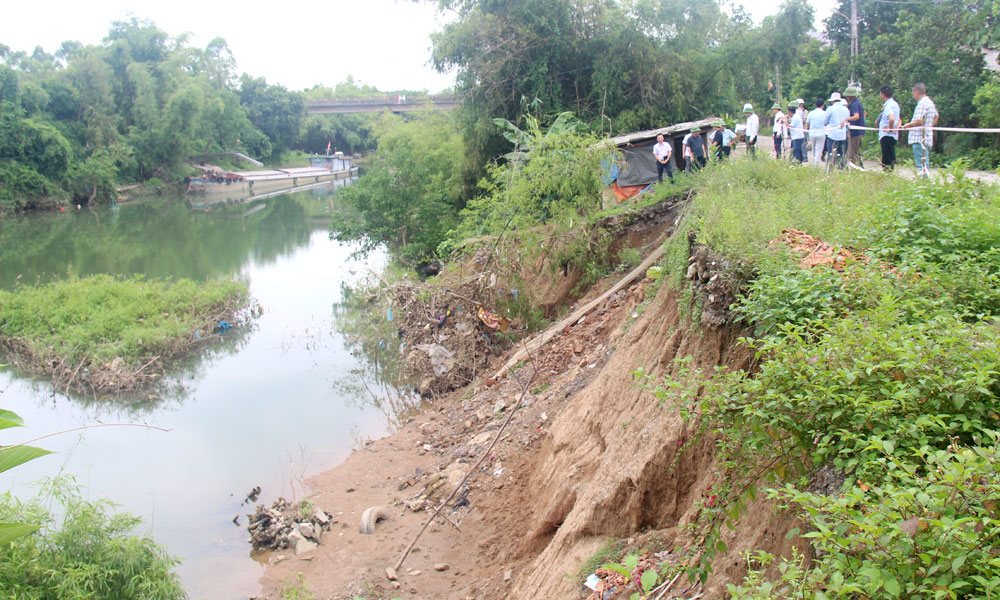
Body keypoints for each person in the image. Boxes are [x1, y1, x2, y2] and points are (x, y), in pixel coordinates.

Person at [899, 82, 939, 178]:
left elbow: (919, 121)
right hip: (927, 137)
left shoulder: (922, 104)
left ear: (916, 92)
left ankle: (924, 182)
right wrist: (929, 126)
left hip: (919, 139)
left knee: (922, 165)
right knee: (925, 163)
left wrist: (908, 125)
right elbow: (936, 116)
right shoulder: (930, 102)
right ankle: (926, 181)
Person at [876, 85, 900, 170]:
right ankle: (890, 172)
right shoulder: (895, 104)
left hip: (886, 135)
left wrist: (890, 129)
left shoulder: (889, 105)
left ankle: (887, 174)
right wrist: (896, 128)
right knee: (891, 156)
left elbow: (892, 118)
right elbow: (898, 119)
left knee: (886, 159)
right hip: (893, 136)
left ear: (882, 94)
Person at [824, 96, 850, 169]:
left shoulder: (830, 109)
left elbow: (825, 121)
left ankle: (830, 168)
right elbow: (847, 120)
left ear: (832, 101)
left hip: (832, 133)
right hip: (842, 134)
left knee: (831, 153)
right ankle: (842, 168)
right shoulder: (846, 109)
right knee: (842, 153)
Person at [844, 86, 866, 169]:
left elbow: (856, 116)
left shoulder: (854, 104)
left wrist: (846, 119)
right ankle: (859, 167)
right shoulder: (858, 103)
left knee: (853, 153)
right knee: (855, 151)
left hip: (856, 132)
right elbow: (863, 113)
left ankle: (857, 168)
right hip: (859, 130)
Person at [806, 99, 828, 166]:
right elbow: (826, 123)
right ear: (823, 105)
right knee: (819, 149)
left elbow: (808, 123)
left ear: (815, 105)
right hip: (821, 133)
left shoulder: (811, 113)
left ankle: (815, 161)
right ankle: (816, 164)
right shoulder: (825, 113)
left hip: (812, 133)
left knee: (814, 149)